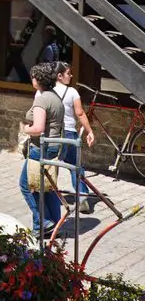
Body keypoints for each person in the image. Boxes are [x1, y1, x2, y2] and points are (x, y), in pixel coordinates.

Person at [19, 63, 65, 237]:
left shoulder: (42, 99)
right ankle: (51, 226)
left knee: (27, 186)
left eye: (33, 77)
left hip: (41, 148)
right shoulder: (55, 97)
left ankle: (44, 222)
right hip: (54, 146)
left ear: (38, 79)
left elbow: (38, 128)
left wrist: (26, 129)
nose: (31, 80)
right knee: (48, 187)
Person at [54, 62, 95, 213]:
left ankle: (49, 195)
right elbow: (80, 113)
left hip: (53, 134)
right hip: (69, 133)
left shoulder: (45, 91)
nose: (71, 76)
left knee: (51, 166)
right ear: (59, 75)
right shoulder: (72, 92)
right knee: (76, 166)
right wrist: (89, 131)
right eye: (68, 73)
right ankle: (82, 196)